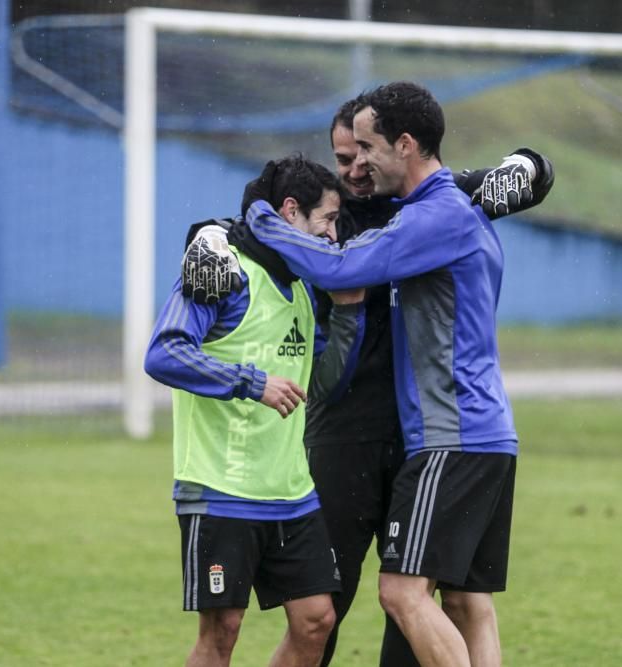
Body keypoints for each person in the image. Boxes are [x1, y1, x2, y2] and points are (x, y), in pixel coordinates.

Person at [182, 100, 553, 666]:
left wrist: (530, 167)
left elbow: (521, 176)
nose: (355, 169)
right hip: (345, 433)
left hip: (426, 435)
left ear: (394, 148)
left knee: (416, 596)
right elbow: (249, 230)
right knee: (322, 608)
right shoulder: (333, 214)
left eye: (363, 154)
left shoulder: (420, 206)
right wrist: (206, 236)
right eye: (342, 158)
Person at [144, 156, 366, 667]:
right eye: (328, 220)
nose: (333, 236)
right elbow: (164, 353)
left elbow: (324, 384)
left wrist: (350, 312)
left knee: (317, 621)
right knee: (222, 632)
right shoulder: (222, 271)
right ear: (291, 211)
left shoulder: (305, 289)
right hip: (221, 488)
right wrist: (251, 383)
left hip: (291, 491)